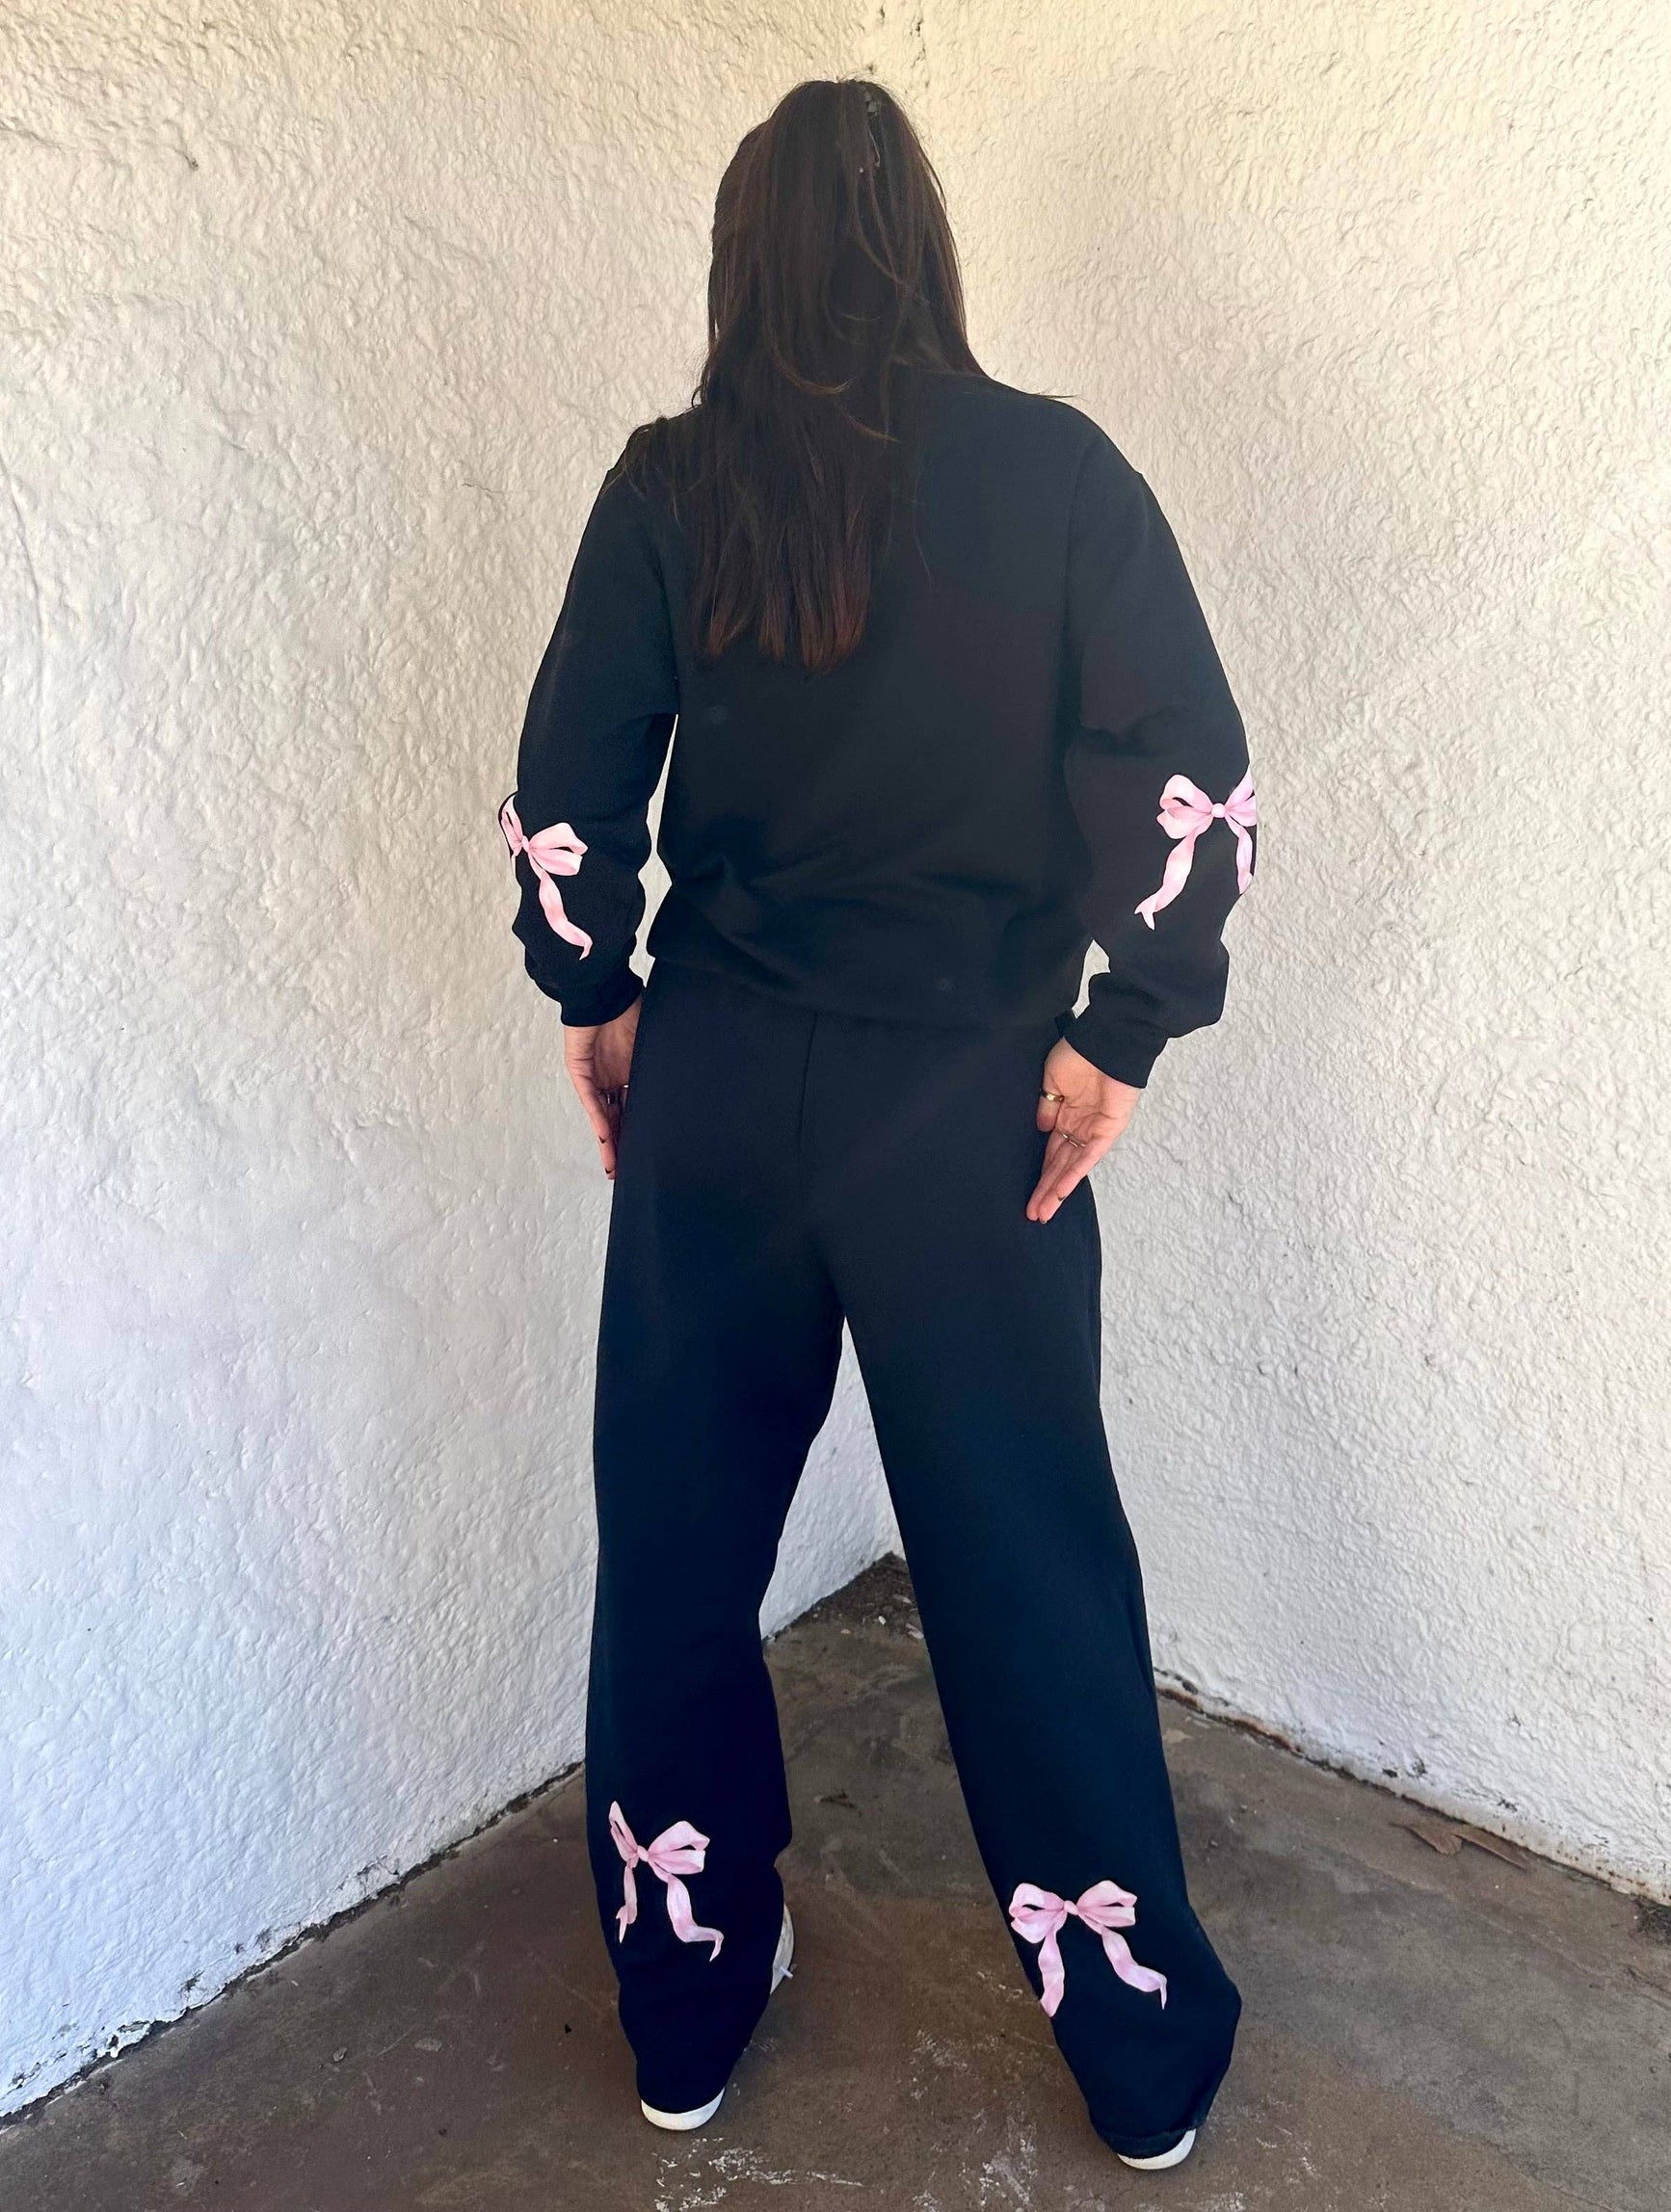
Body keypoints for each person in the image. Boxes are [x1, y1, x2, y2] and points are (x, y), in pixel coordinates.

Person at [501, 76, 1257, 2174]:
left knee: (675, 1553)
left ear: (737, 260)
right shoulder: (1058, 472)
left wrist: (598, 997)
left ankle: (680, 2011)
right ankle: (1136, 2059)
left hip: (721, 1092)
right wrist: (1123, 1031)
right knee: (1022, 1565)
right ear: (923, 240)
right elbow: (1189, 774)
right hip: (967, 1113)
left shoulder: (672, 483)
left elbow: (567, 795)